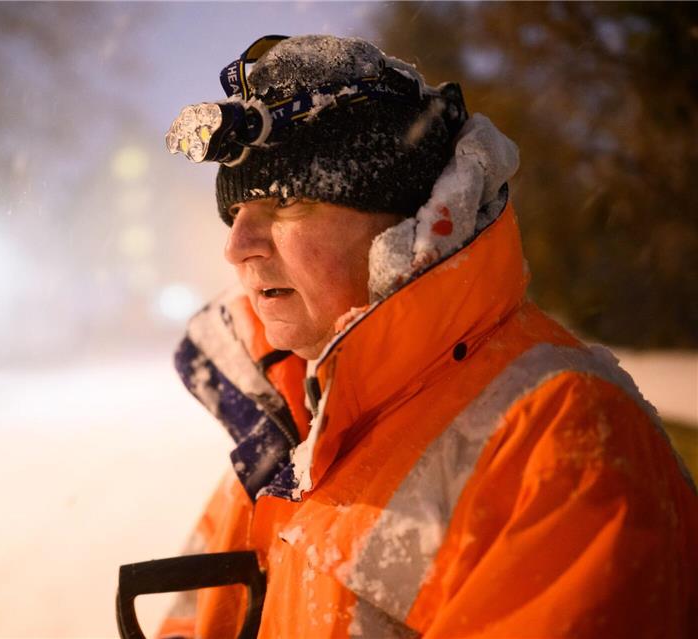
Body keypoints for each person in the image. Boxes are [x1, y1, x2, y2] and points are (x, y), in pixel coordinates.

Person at [155, 35, 698, 638]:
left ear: (404, 220)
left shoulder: (560, 443)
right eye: (236, 212)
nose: (235, 247)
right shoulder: (292, 433)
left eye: (286, 201)